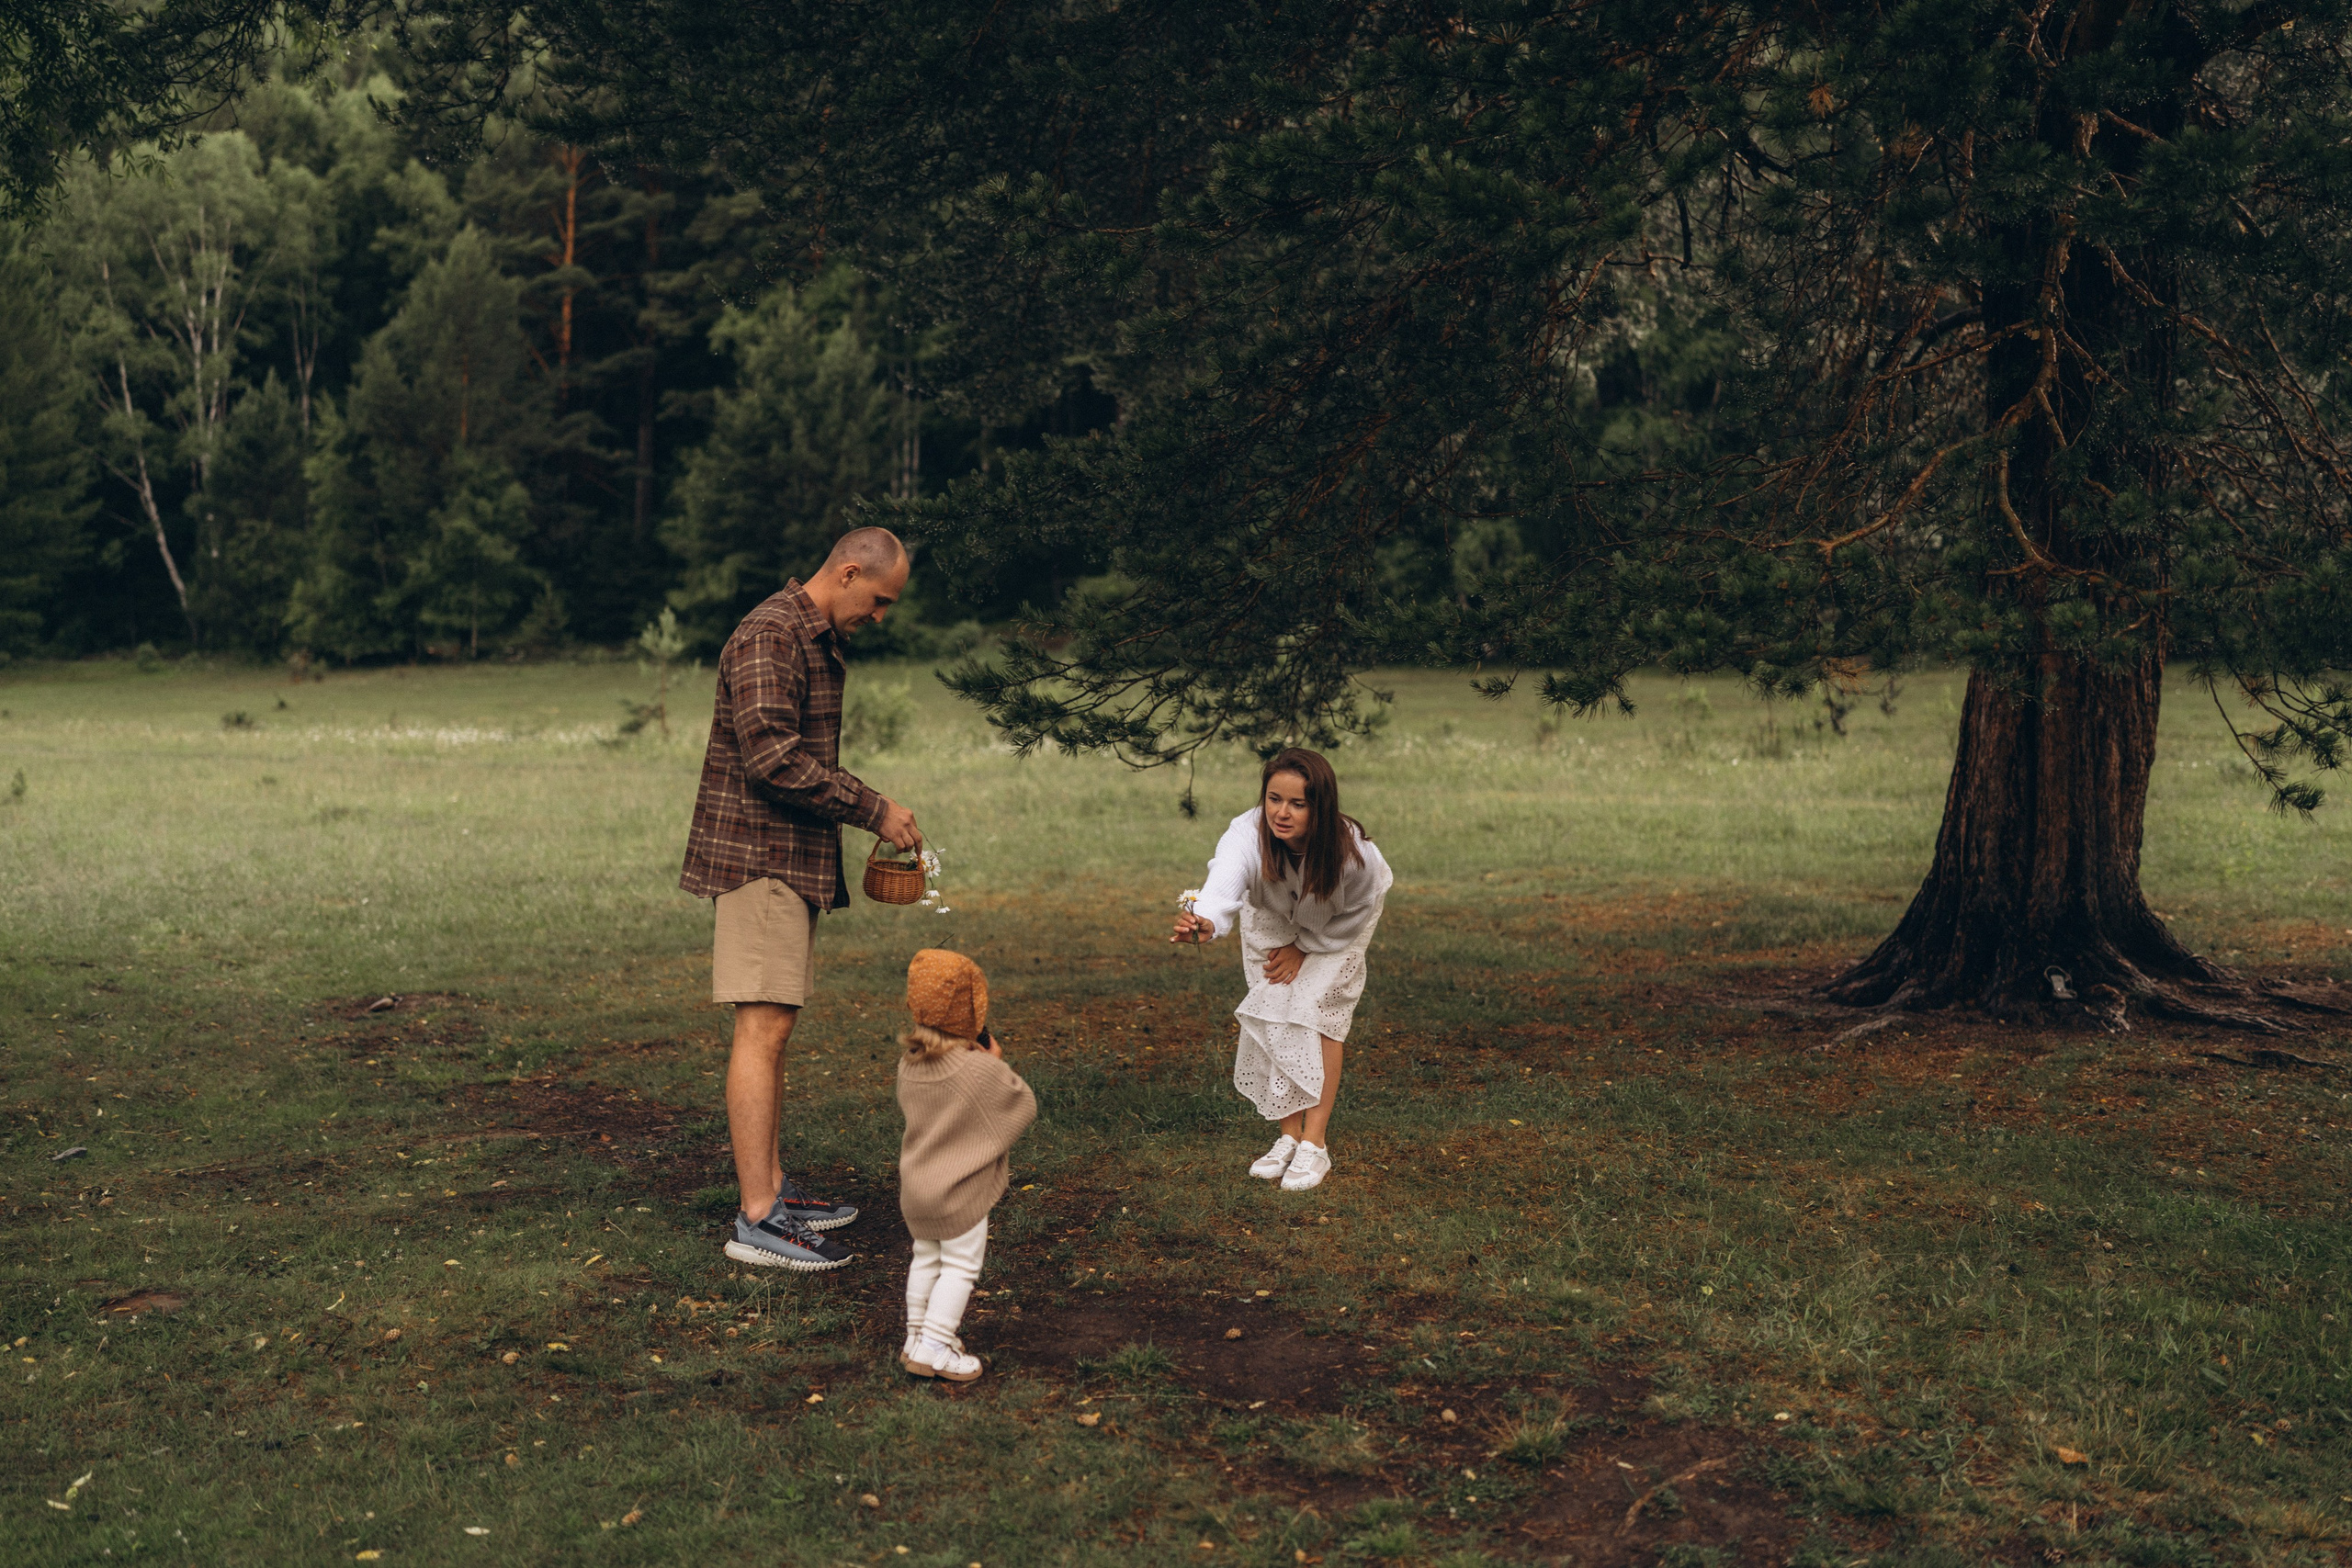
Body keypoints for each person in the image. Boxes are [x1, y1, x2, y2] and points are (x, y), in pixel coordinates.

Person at [679, 525, 923, 1273]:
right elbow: (772, 757)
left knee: (775, 1026)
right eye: (878, 599)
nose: (879, 616)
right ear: (848, 572)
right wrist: (873, 807)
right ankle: (758, 1219)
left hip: (787, 859)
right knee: (762, 1029)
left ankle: (775, 1187)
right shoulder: (770, 635)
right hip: (759, 859)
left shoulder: (806, 637)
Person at [1170, 747, 1392, 1192]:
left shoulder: (1355, 856)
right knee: (1275, 1012)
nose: (1281, 813)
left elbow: (1361, 907)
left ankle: (1315, 1144)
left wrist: (1305, 947)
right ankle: (1288, 1136)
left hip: (1336, 926)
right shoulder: (1246, 833)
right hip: (1271, 919)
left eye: (1298, 803)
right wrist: (1208, 921)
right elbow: (1225, 878)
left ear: (1320, 806)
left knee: (1318, 1013)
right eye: (1274, 799)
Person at [895, 948, 1035, 1382]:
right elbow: (1021, 1103)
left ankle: (915, 1338)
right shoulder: (976, 1068)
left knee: (926, 1259)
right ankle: (937, 1345)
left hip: (917, 1190)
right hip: (959, 1192)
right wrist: (994, 1064)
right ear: (973, 1010)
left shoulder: (909, 1063)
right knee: (960, 1266)